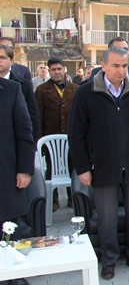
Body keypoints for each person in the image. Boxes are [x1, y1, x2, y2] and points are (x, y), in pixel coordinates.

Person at [68, 46, 129, 280]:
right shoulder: (86, 93)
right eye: (116, 66)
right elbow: (76, 134)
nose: (121, 71)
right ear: (103, 65)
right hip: (103, 166)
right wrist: (83, 168)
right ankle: (108, 261)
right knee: (107, 218)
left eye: (125, 66)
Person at [0, 74, 35, 285]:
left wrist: (25, 169)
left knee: (9, 226)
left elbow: (24, 132)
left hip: (6, 171)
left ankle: (15, 274)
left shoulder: (11, 90)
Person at [35, 56, 78, 210]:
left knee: (73, 167)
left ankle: (73, 198)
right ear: (49, 71)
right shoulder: (41, 90)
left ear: (64, 69)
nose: (57, 72)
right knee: (52, 169)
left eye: (59, 69)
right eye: (53, 70)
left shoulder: (74, 88)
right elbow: (38, 115)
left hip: (72, 137)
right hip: (50, 136)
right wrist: (39, 137)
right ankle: (53, 201)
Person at [0, 45, 38, 142]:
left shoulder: (23, 85)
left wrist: (30, 142)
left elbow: (32, 115)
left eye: (2, 58)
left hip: (14, 140)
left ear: (11, 61)